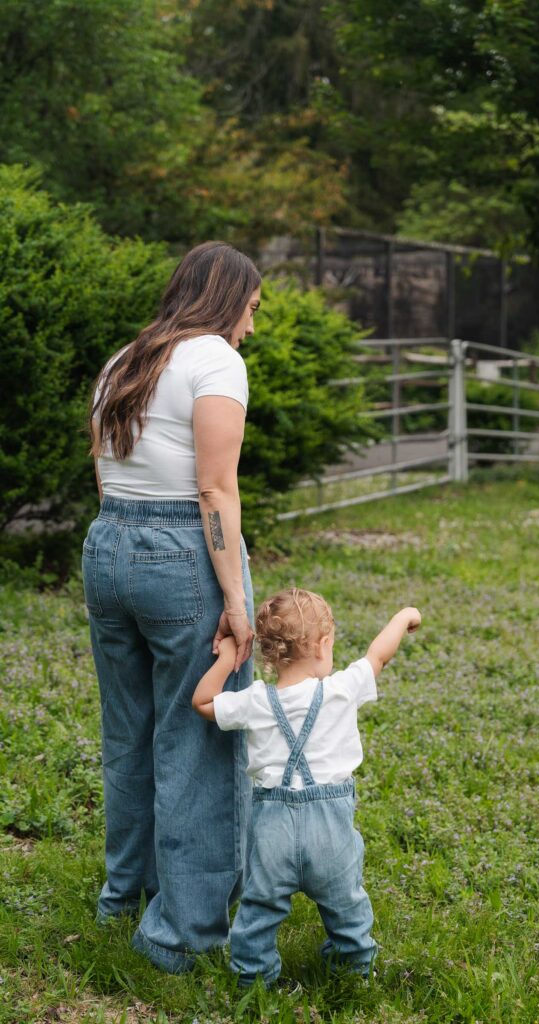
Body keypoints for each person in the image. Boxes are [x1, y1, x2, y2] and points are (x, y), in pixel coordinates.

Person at [82, 241, 261, 974]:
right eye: (251, 308)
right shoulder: (215, 360)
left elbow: (105, 474)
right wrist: (235, 599)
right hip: (181, 555)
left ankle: (125, 894)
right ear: (226, 302)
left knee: (131, 733)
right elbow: (215, 491)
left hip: (108, 546)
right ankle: (180, 933)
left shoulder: (126, 359)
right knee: (199, 740)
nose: (251, 325)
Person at [192, 587, 422, 988]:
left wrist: (228, 658)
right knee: (347, 904)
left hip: (272, 833)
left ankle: (255, 979)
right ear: (324, 645)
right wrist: (403, 617)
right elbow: (378, 655)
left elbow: (203, 702)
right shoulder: (341, 689)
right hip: (330, 831)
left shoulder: (256, 701)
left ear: (269, 652)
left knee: (259, 909)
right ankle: (352, 972)